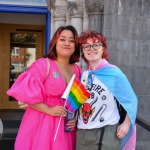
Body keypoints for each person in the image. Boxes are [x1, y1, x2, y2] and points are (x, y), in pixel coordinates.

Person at [7, 25, 82, 150]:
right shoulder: (43, 65)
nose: (67, 43)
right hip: (41, 125)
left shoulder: (77, 70)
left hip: (65, 128)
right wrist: (49, 109)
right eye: (62, 39)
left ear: (76, 45)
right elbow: (22, 100)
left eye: (72, 40)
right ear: (55, 42)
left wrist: (74, 118)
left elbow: (75, 101)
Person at [76, 30, 138, 150]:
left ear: (103, 49)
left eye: (96, 45)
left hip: (106, 132)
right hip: (83, 133)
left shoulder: (113, 72)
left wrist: (126, 124)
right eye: (86, 46)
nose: (91, 49)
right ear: (83, 51)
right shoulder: (84, 75)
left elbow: (131, 100)